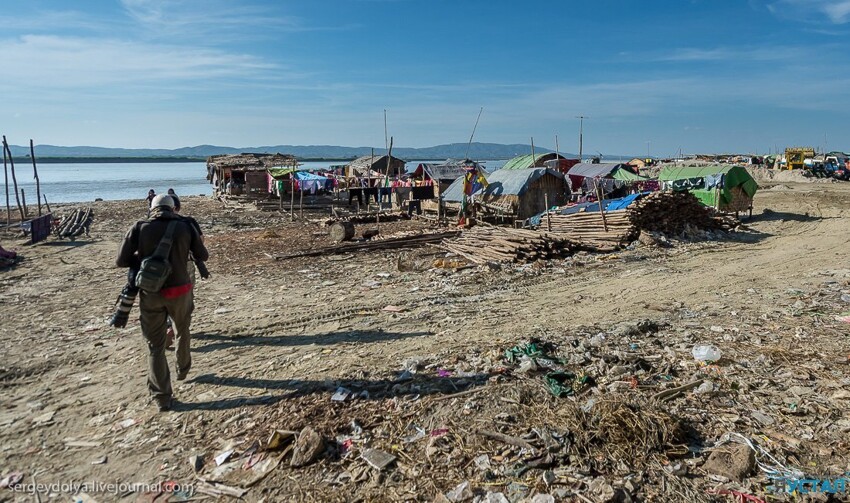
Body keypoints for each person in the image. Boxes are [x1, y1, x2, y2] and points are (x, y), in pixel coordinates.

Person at [116, 194, 208, 412]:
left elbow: (120, 260)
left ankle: (162, 398)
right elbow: (202, 255)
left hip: (151, 293)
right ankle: (183, 368)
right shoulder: (185, 226)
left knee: (155, 347)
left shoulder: (140, 227)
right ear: (172, 208)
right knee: (182, 329)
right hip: (181, 291)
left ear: (152, 208)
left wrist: (144, 261)